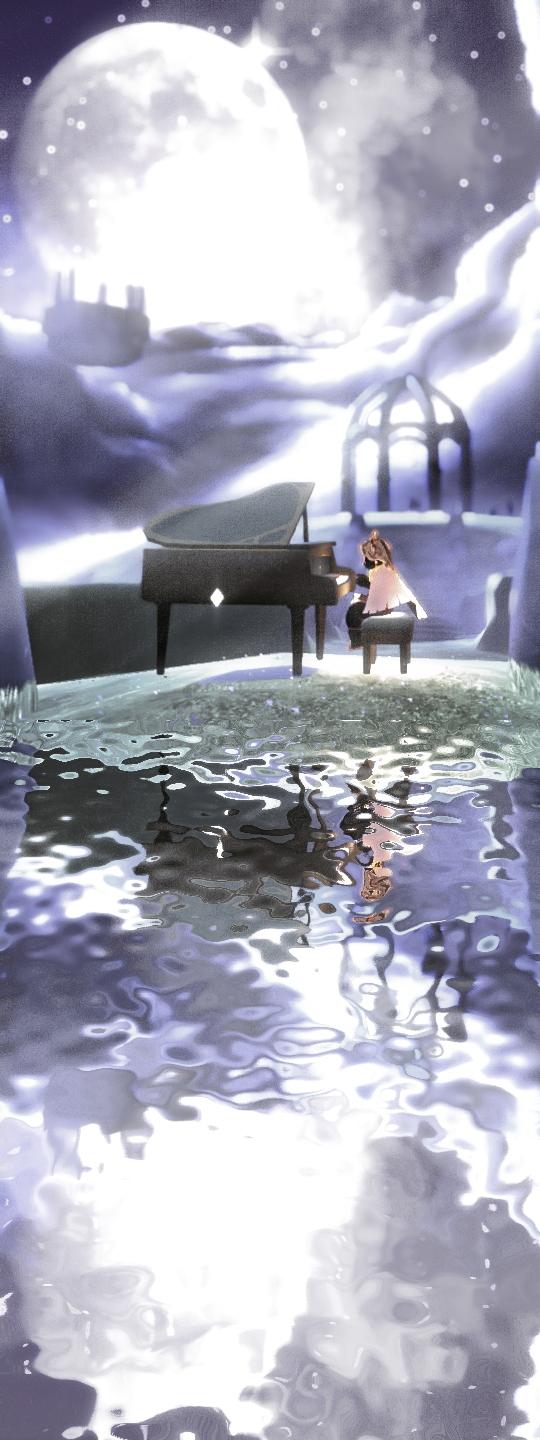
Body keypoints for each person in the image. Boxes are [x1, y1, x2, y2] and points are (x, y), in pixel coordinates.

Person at [359, 528, 427, 620]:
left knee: (404, 594)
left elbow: (382, 559)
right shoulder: (370, 549)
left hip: (384, 573)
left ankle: (419, 614)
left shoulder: (379, 550)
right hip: (380, 574)